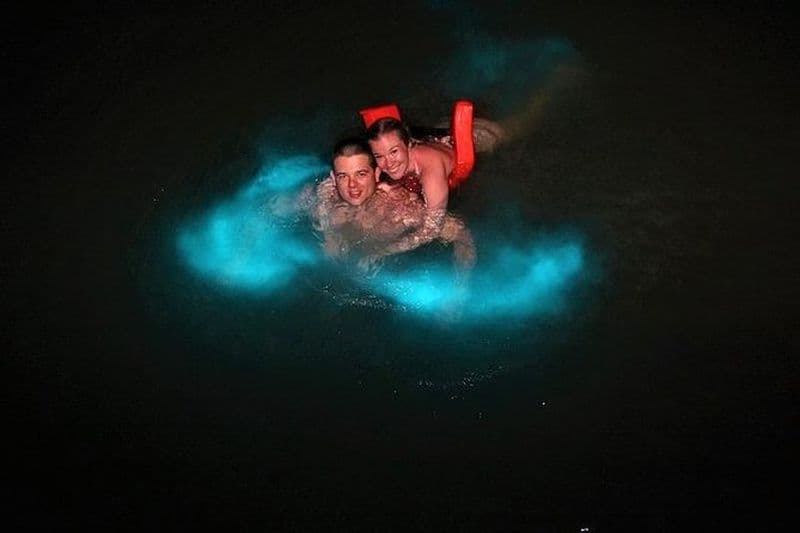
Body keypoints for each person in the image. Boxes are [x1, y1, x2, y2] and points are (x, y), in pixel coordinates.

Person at [284, 137, 476, 270]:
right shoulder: (322, 195)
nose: (352, 186)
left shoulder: (399, 207)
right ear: (334, 178)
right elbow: (273, 210)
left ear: (376, 174)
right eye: (343, 176)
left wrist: (459, 294)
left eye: (361, 174)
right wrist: (329, 236)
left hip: (450, 155)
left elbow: (462, 234)